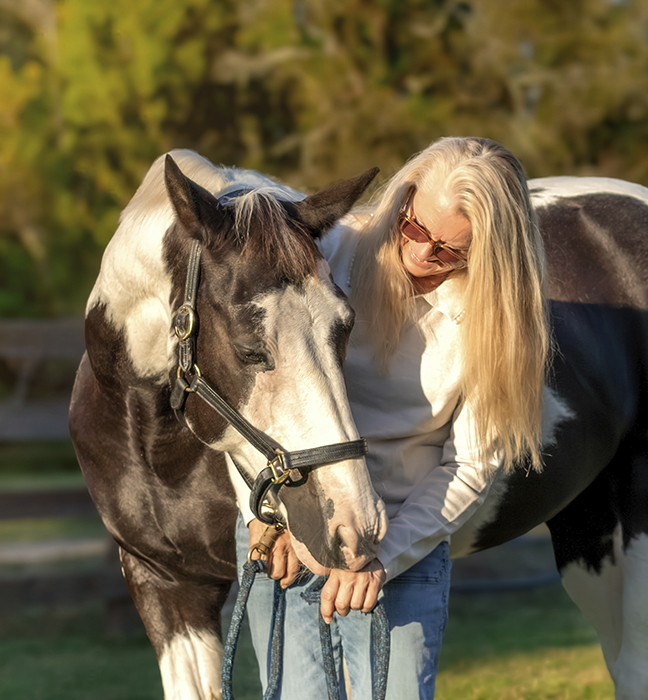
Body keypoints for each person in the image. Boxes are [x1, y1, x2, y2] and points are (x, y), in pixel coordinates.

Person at [232, 136, 552, 699]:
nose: (423, 254)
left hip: (400, 538)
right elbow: (246, 393)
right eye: (415, 227)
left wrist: (383, 557)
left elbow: (471, 466)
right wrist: (261, 512)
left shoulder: (496, 325)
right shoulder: (325, 249)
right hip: (285, 530)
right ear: (403, 199)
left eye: (453, 252)